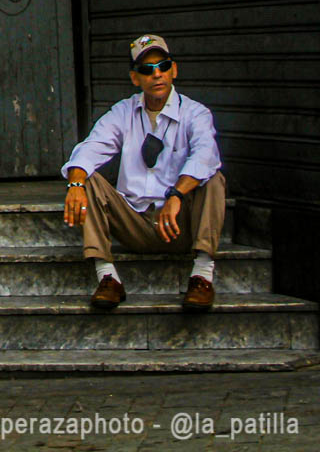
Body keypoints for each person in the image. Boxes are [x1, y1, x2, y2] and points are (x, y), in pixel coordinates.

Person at [62, 34, 226, 312]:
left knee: (214, 179)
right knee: (84, 177)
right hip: (133, 221)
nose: (157, 75)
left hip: (177, 224)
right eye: (147, 70)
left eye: (162, 66)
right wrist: (75, 182)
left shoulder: (195, 114)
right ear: (135, 78)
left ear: (174, 70)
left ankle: (201, 276)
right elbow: (91, 148)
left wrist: (176, 194)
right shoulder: (123, 112)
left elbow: (205, 155)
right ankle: (108, 278)